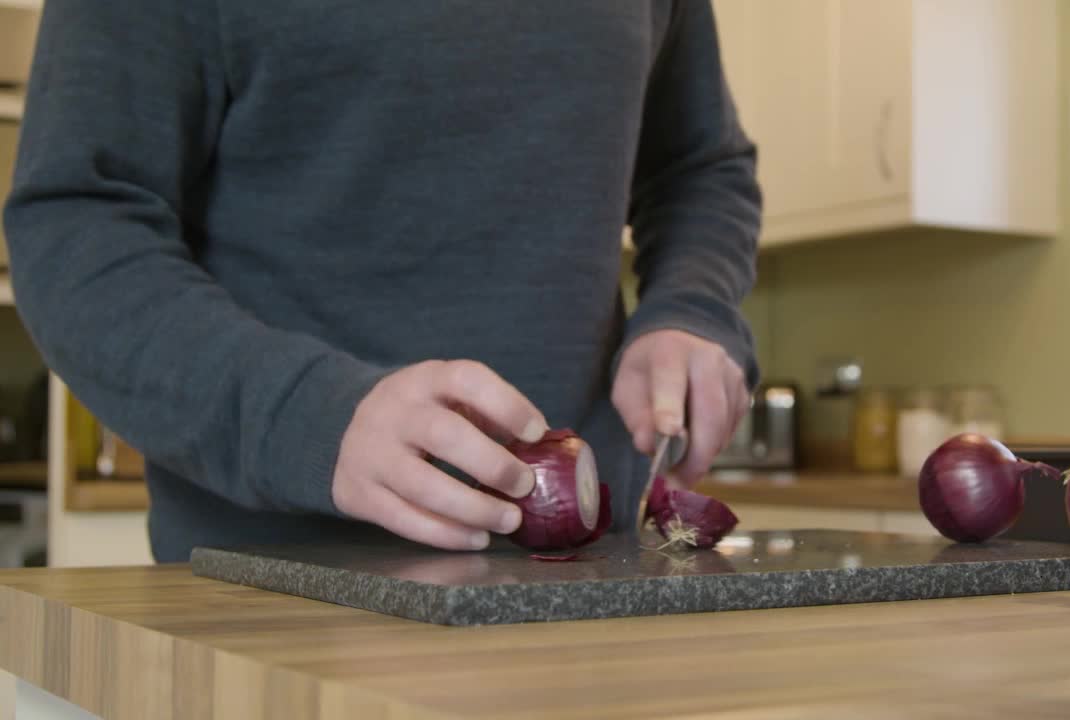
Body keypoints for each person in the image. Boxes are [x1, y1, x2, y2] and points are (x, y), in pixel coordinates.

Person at [2, 1, 761, 562]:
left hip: (591, 595)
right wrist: (308, 418)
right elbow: (75, 221)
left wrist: (690, 307)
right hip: (274, 607)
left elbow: (699, 166)